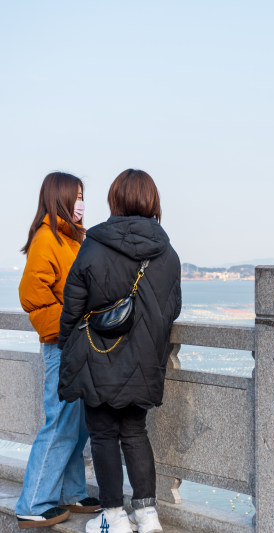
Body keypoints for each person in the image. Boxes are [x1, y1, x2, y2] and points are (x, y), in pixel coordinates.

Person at [58, 169, 181, 533]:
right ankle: (147, 514)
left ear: (115, 199)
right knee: (135, 432)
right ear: (152, 201)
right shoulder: (168, 253)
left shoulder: (93, 245)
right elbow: (172, 309)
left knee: (103, 433)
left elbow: (73, 305)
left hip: (98, 354)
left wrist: (69, 345)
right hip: (144, 359)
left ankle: (112, 516)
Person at [15, 172, 101, 529]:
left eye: (83, 196)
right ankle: (33, 501)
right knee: (61, 423)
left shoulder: (72, 239)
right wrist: (65, 332)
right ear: (60, 197)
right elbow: (32, 297)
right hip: (61, 345)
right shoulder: (47, 239)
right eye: (76, 196)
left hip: (77, 345)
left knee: (78, 424)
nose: (81, 202)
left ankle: (71, 492)